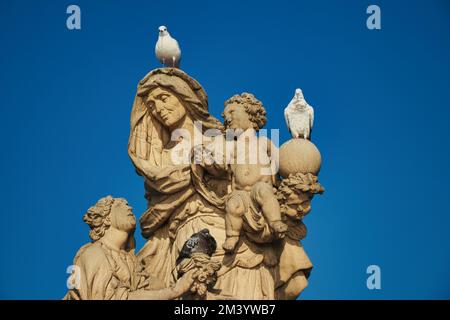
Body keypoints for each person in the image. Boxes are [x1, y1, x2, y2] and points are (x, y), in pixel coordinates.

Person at [64, 196, 194, 300]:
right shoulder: (93, 254)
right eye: (121, 204)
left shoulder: (134, 264)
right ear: (107, 219)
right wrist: (175, 291)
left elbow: (158, 288)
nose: (130, 207)